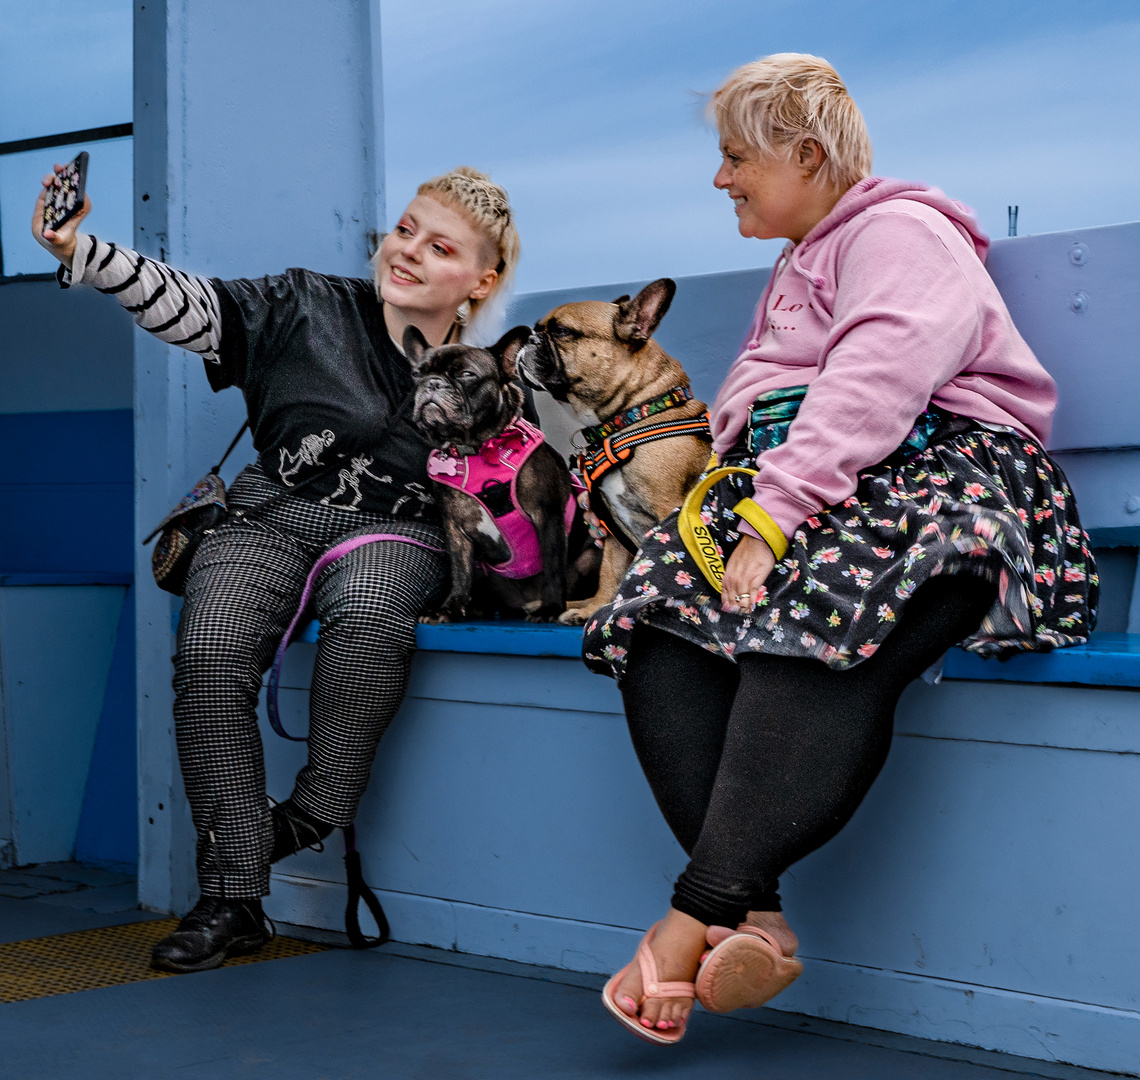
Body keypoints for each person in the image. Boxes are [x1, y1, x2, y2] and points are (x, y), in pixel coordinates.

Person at [584, 53, 1097, 1043]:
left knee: (818, 627)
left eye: (737, 157)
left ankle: (691, 919)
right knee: (655, 625)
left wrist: (774, 518)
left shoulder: (901, 232)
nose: (721, 178)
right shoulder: (800, 260)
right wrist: (744, 507)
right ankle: (756, 919)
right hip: (818, 492)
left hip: (941, 487)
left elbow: (879, 375)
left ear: (808, 157)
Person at [33, 165, 520, 972]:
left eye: (440, 248)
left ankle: (313, 814)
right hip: (268, 513)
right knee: (210, 649)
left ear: (481, 279)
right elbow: (193, 307)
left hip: (396, 532)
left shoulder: (493, 373)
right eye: (405, 230)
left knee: (368, 620)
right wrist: (80, 248)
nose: (408, 253)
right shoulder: (306, 301)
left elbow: (516, 489)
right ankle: (232, 899)